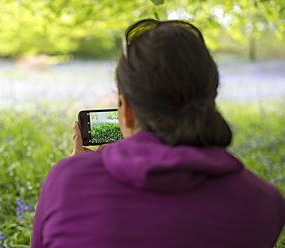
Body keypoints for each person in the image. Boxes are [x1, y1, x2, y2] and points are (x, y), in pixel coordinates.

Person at [31, 19, 285, 248]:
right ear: (211, 101)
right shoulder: (264, 202)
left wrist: (78, 175)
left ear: (127, 111)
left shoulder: (67, 180)